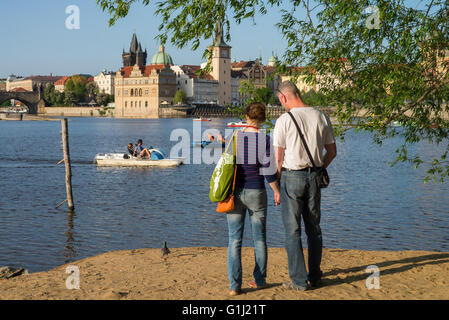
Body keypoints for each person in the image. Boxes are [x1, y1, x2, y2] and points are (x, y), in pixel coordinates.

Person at [273, 81, 337, 291]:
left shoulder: (284, 120)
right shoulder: (321, 116)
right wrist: (320, 168)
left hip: (292, 177)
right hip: (314, 177)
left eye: (280, 101)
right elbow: (332, 152)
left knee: (292, 230)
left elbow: (278, 160)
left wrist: (276, 186)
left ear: (283, 97)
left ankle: (299, 281)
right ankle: (315, 276)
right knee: (314, 229)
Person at [223, 102, 281, 296]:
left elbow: (227, 167)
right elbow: (268, 170)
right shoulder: (265, 139)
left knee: (234, 240)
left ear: (246, 116)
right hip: (257, 191)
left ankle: (234, 286)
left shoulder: (235, 137)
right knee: (259, 239)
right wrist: (276, 190)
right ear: (263, 119)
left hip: (236, 192)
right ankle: (259, 280)